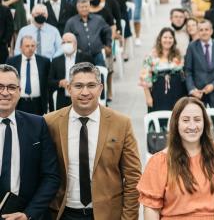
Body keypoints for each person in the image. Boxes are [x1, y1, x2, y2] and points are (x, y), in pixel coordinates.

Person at [45, 62, 142, 219]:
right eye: (78, 86)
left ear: (100, 88)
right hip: (63, 213)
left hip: (108, 214)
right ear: (69, 89)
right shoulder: (51, 122)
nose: (85, 92)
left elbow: (133, 177)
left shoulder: (121, 123)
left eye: (91, 85)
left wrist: (129, 217)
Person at [138, 97, 214, 219]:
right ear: (176, 123)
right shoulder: (159, 162)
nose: (192, 126)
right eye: (185, 120)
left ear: (204, 123)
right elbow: (151, 209)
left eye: (197, 120)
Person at [0, 64, 60, 220]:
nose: (5, 92)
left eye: (12, 87)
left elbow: (51, 176)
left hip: (26, 213)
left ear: (20, 91)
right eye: (0, 86)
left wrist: (29, 214)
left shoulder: (37, 125)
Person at [184, 20, 214, 109]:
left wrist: (213, 85)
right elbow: (188, 71)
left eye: (206, 29)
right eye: (201, 30)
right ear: (198, 32)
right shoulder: (192, 47)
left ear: (211, 31)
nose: (204, 32)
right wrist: (192, 89)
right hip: (197, 93)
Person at [140, 28, 187, 112]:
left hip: (178, 90)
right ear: (160, 39)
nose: (168, 40)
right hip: (159, 91)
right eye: (165, 37)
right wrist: (148, 97)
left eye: (170, 38)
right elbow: (145, 78)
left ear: (174, 40)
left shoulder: (179, 54)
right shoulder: (151, 55)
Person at [48, 33, 93, 111]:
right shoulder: (56, 61)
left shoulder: (85, 58)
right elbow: (50, 81)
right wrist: (60, 82)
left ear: (75, 44)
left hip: (82, 98)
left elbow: (92, 78)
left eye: (68, 42)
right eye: (63, 42)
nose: (66, 45)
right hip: (63, 99)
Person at [6, 36, 50, 115]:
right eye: (27, 46)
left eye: (32, 46)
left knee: (37, 125)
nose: (30, 48)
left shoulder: (44, 61)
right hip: (19, 103)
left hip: (38, 103)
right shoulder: (12, 61)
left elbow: (48, 83)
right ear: (20, 47)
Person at [64, 0, 112, 67]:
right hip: (80, 56)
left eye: (86, 6)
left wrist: (108, 45)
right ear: (77, 8)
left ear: (89, 7)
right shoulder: (71, 22)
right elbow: (66, 38)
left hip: (97, 53)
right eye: (81, 7)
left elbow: (107, 30)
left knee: (101, 73)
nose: (84, 9)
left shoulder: (98, 19)